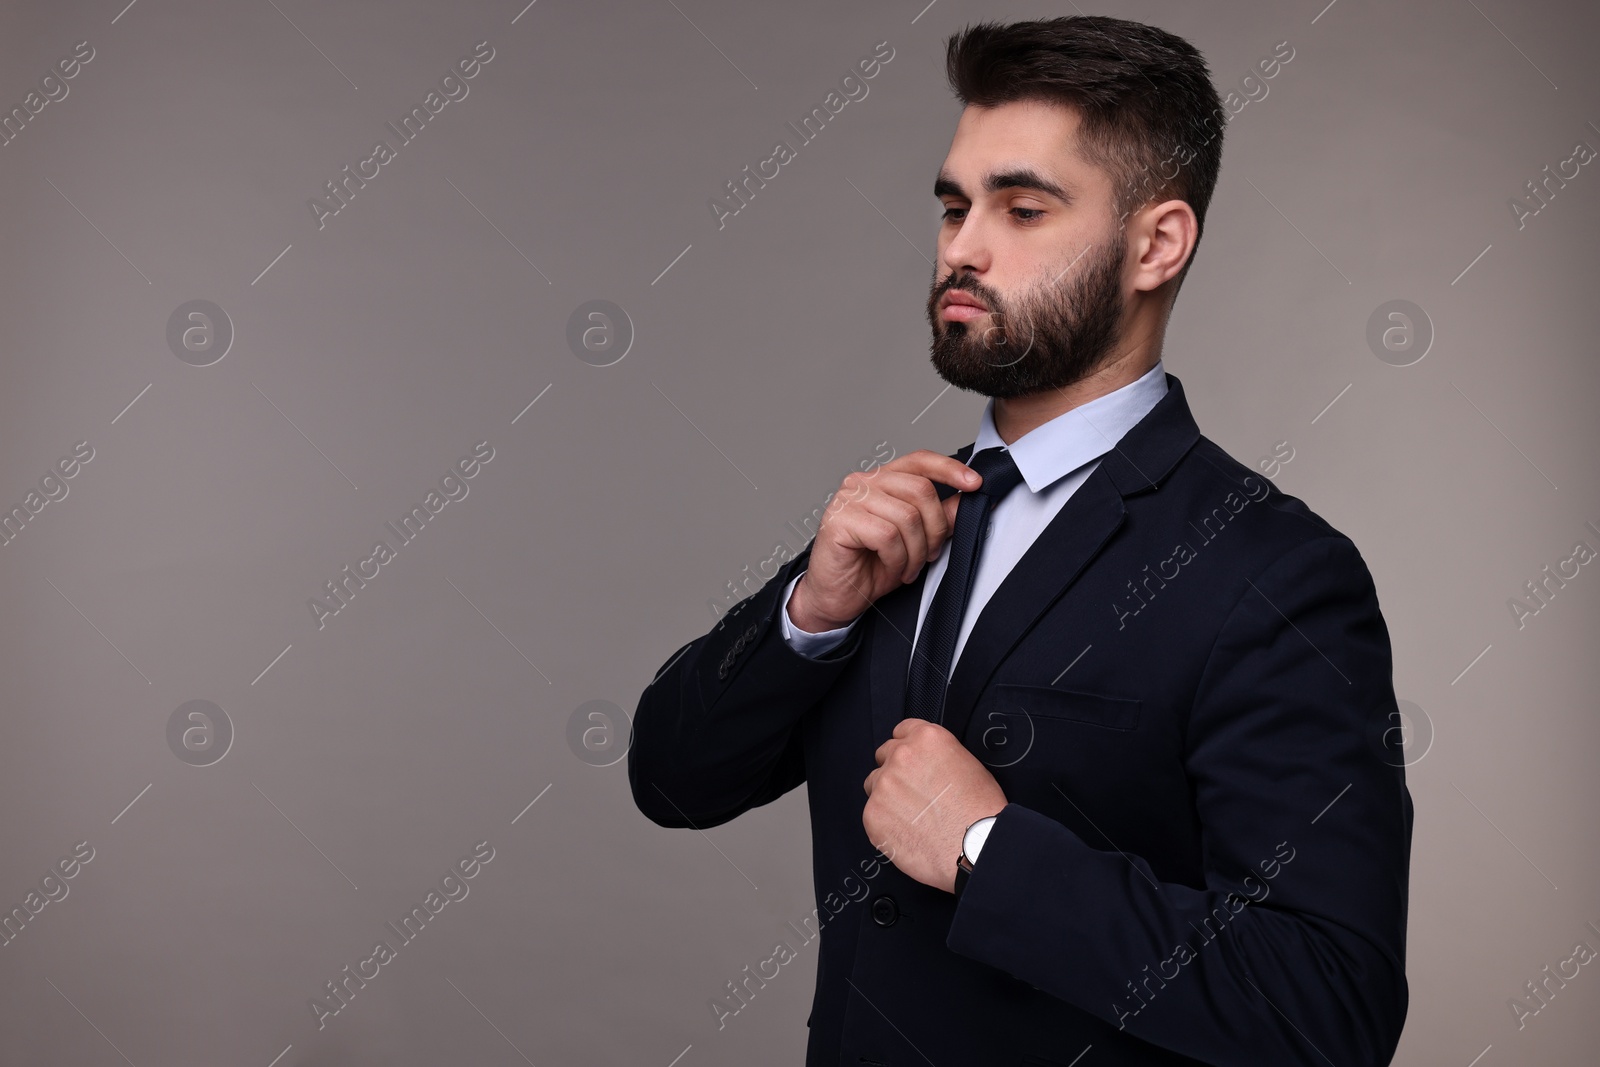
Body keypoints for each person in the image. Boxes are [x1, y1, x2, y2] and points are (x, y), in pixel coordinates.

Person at [629, 15, 1412, 1066]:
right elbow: (671, 779)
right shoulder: (895, 528)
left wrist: (985, 848)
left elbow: (1326, 1007)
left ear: (1156, 243)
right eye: (954, 204)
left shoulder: (1272, 572)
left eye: (1022, 206)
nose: (961, 244)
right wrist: (807, 616)